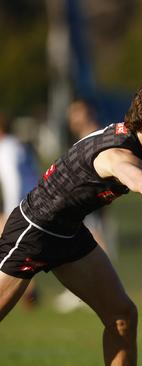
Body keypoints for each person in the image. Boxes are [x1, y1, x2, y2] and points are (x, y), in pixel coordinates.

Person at [0, 84, 142, 366]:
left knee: (122, 316)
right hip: (34, 230)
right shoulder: (117, 154)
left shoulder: (138, 146)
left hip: (69, 234)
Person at [53, 99, 119, 313]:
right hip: (84, 198)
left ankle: (106, 289)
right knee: (89, 239)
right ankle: (94, 289)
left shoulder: (96, 136)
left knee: (96, 239)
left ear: (88, 113)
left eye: (76, 113)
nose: (73, 119)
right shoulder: (83, 138)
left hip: (91, 197)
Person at [0, 113, 41, 307]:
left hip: (21, 206)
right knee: (24, 252)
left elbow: (12, 180)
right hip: (35, 201)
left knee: (15, 253)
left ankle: (25, 293)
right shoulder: (17, 145)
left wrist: (10, 212)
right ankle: (30, 293)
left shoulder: (5, 149)